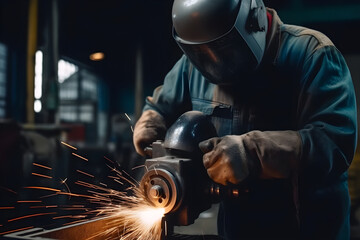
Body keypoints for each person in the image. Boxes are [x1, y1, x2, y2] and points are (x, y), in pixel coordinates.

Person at [133, 0, 358, 239]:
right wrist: (151, 121)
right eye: (203, 53)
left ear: (254, 20)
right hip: (237, 229)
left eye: (225, 48)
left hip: (306, 227)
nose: (215, 63)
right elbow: (160, 106)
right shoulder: (193, 65)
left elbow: (334, 143)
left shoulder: (312, 55)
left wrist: (252, 153)